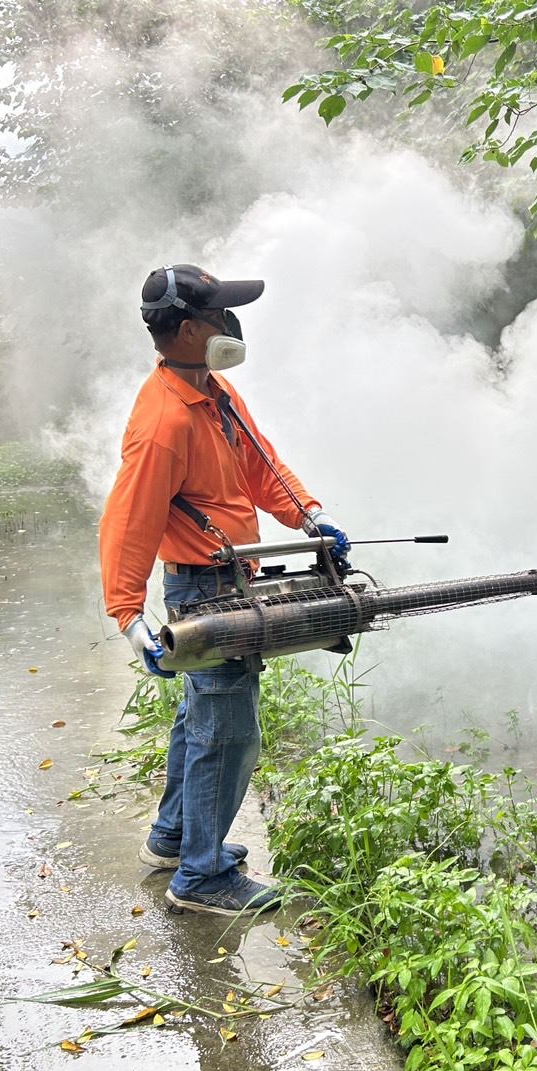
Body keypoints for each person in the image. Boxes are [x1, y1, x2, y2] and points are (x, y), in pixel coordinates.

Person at [98, 263, 350, 917]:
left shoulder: (214, 393)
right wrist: (130, 617)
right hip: (204, 590)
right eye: (219, 315)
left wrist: (309, 516)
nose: (231, 325)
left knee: (198, 718)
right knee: (227, 730)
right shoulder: (164, 423)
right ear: (187, 330)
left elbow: (262, 466)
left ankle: (174, 837)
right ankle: (202, 876)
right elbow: (128, 522)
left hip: (229, 577)